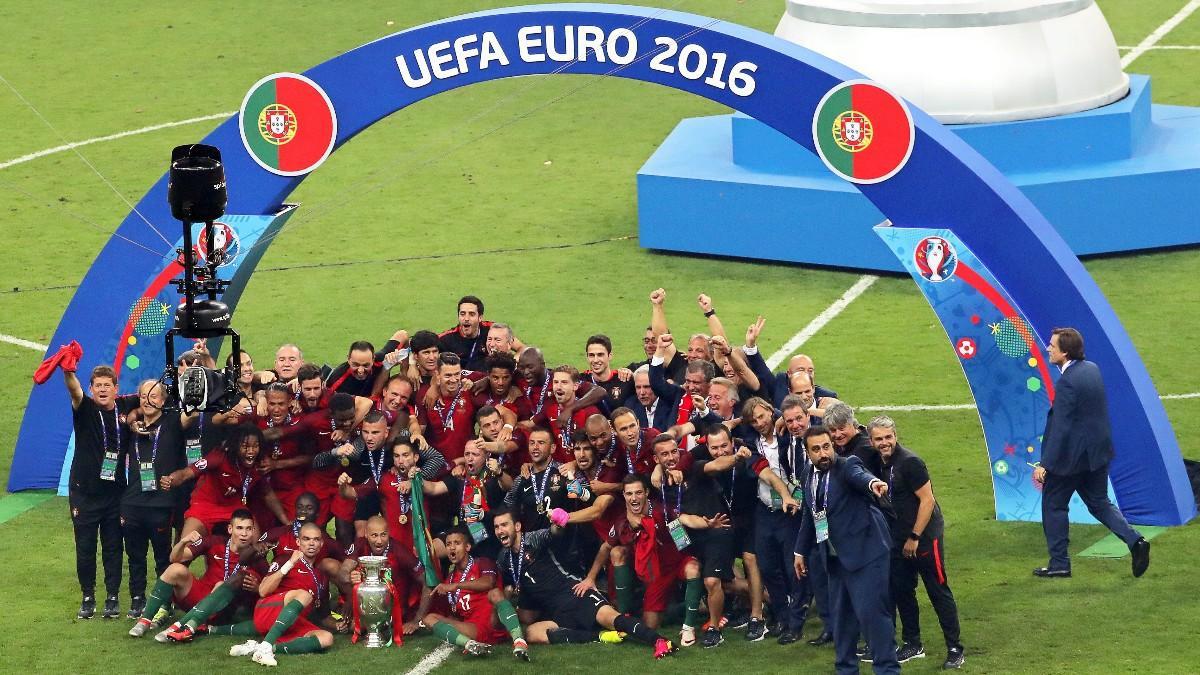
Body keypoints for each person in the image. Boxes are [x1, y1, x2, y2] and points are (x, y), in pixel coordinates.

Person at [1033, 327, 1150, 578]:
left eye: (1052, 346)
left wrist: (1046, 463)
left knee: (1053, 505)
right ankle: (1135, 541)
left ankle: (1060, 564)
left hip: (1070, 459)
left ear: (1064, 352)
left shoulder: (1067, 382)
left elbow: (1062, 426)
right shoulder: (1092, 369)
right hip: (1096, 454)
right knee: (1099, 502)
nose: (1048, 349)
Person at [492, 507, 677, 659]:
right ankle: (602, 636)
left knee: (611, 619)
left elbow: (554, 533)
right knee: (532, 633)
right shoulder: (503, 559)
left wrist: (558, 522)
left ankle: (660, 641)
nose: (500, 531)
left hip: (574, 593)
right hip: (555, 610)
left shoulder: (533, 539)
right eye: (496, 527)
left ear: (517, 526)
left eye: (504, 525)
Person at [793, 425, 899, 675]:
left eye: (826, 447)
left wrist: (873, 483)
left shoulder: (847, 465)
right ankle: (846, 670)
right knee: (841, 621)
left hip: (866, 553)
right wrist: (800, 551)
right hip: (835, 558)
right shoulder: (808, 473)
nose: (823, 454)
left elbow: (861, 477)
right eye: (816, 449)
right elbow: (810, 514)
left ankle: (887, 670)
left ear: (834, 446)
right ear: (807, 453)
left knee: (872, 616)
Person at [870, 416, 965, 669]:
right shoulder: (877, 463)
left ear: (895, 435)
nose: (884, 443)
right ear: (871, 441)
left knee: (938, 591)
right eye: (879, 439)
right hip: (897, 540)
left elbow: (927, 500)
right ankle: (913, 643)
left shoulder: (910, 462)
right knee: (903, 591)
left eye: (888, 437)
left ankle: (955, 648)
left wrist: (914, 537)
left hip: (924, 539)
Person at [581, 475, 706, 647]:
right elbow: (605, 547)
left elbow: (683, 541)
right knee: (650, 624)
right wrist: (591, 577)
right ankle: (629, 617)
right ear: (624, 495)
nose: (634, 498)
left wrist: (692, 552)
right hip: (656, 573)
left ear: (646, 493)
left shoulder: (662, 511)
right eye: (629, 493)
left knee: (693, 568)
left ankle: (689, 626)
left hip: (676, 563)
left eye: (638, 492)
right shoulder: (621, 521)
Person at [62, 363, 131, 619]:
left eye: (107, 386)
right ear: (91, 390)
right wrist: (68, 372)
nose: (102, 390)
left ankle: (112, 597)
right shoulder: (85, 408)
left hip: (114, 493)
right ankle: (88, 596)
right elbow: (74, 391)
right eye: (98, 386)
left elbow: (152, 396)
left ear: (116, 389)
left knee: (113, 545)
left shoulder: (125, 407)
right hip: (85, 493)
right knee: (86, 546)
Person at [129, 509, 264, 638]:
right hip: (201, 595)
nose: (244, 533)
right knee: (175, 569)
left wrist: (257, 588)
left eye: (248, 529)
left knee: (221, 585)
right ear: (230, 529)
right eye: (239, 528)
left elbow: (269, 589)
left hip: (222, 609)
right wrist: (183, 542)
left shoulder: (257, 559)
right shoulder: (214, 542)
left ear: (253, 531)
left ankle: (181, 626)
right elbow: (174, 558)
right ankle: (144, 621)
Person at [121, 379, 191, 620]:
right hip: (132, 503)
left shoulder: (172, 422)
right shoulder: (133, 426)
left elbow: (190, 412)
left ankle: (164, 602)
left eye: (154, 396)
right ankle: (137, 599)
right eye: (143, 396)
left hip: (161, 503)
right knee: (135, 555)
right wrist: (133, 415)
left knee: (163, 556)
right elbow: (121, 405)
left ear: (163, 400)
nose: (148, 400)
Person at [227, 522, 336, 666]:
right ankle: (265, 647)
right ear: (298, 541)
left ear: (321, 544)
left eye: (316, 540)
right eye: (306, 539)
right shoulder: (285, 559)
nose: (311, 543)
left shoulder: (321, 576)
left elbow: (323, 616)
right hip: (268, 611)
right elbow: (263, 590)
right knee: (303, 595)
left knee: (326, 638)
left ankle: (262, 647)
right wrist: (290, 563)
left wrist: (340, 625)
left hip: (291, 622)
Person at [420, 525, 529, 660]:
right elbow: (455, 615)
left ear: (467, 547)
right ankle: (471, 645)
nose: (452, 548)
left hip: (495, 621)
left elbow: (488, 582)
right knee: (429, 618)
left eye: (457, 543)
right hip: (474, 629)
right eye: (448, 544)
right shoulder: (449, 580)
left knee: (494, 593)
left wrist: (456, 586)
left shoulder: (483, 563)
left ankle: (519, 640)